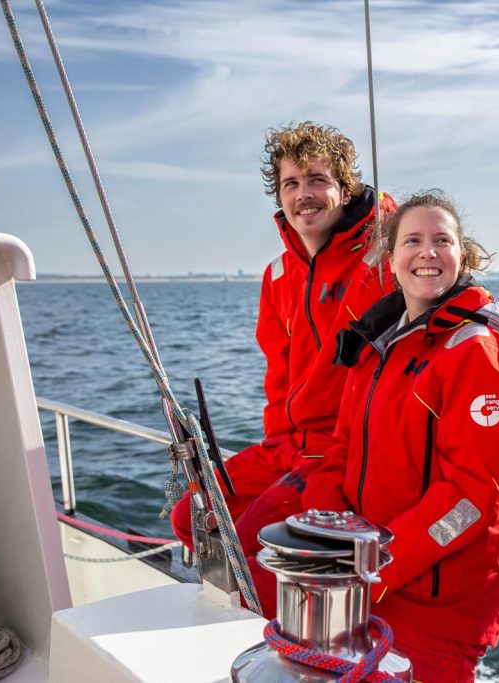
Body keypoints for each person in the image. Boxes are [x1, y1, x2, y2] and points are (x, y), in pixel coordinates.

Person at [170, 122, 397, 614]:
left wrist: (387, 219)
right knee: (191, 518)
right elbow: (278, 375)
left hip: (341, 448)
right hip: (286, 446)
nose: (304, 195)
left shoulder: (381, 255)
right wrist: (277, 443)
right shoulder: (276, 275)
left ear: (345, 188)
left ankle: (283, 649)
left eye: (317, 180)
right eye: (291, 184)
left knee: (253, 545)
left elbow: (424, 246)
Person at [302, 191, 499, 683]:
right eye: (412, 240)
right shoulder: (378, 345)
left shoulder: (479, 351)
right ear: (391, 258)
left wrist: (375, 567)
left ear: (461, 256)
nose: (427, 253)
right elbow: (340, 450)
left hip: (439, 597)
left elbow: (473, 496)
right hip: (370, 579)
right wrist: (331, 538)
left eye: (441, 241)